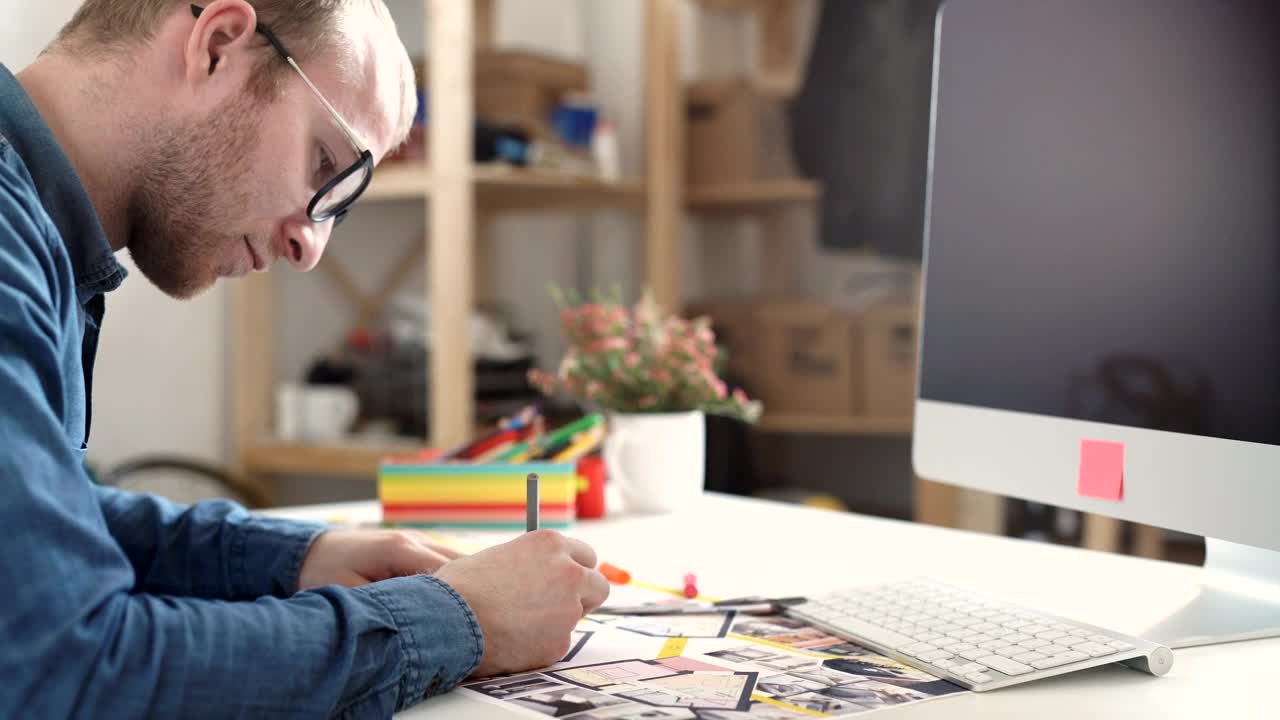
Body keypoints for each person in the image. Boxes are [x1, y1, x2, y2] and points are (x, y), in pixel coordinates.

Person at [0, 1, 610, 717]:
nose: (310, 248)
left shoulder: (38, 235)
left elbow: (44, 535)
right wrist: (457, 619)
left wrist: (296, 557)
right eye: (326, 163)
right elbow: (67, 670)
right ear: (220, 43)